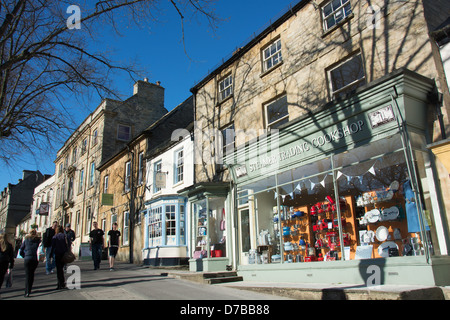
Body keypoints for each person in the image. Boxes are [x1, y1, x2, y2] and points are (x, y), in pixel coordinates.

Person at [19, 229, 41, 297]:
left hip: (27, 258)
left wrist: (24, 256)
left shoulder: (26, 240)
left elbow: (21, 250)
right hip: (34, 258)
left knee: (27, 275)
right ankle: (29, 289)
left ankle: (27, 291)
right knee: (31, 274)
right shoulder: (38, 240)